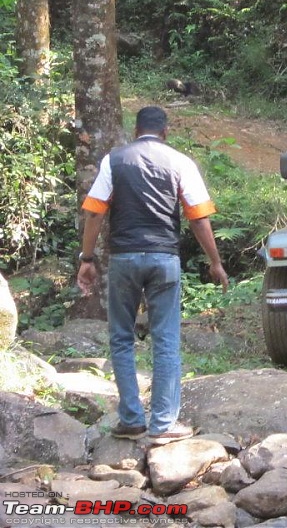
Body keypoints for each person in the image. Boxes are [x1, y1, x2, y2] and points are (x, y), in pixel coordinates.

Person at [77, 106, 229, 444]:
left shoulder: (114, 160)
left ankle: (131, 418)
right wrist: (215, 262)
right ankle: (163, 423)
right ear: (166, 131)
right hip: (164, 259)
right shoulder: (180, 162)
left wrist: (87, 258)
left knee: (120, 336)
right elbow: (199, 218)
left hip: (124, 259)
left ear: (136, 130)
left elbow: (94, 214)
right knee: (166, 338)